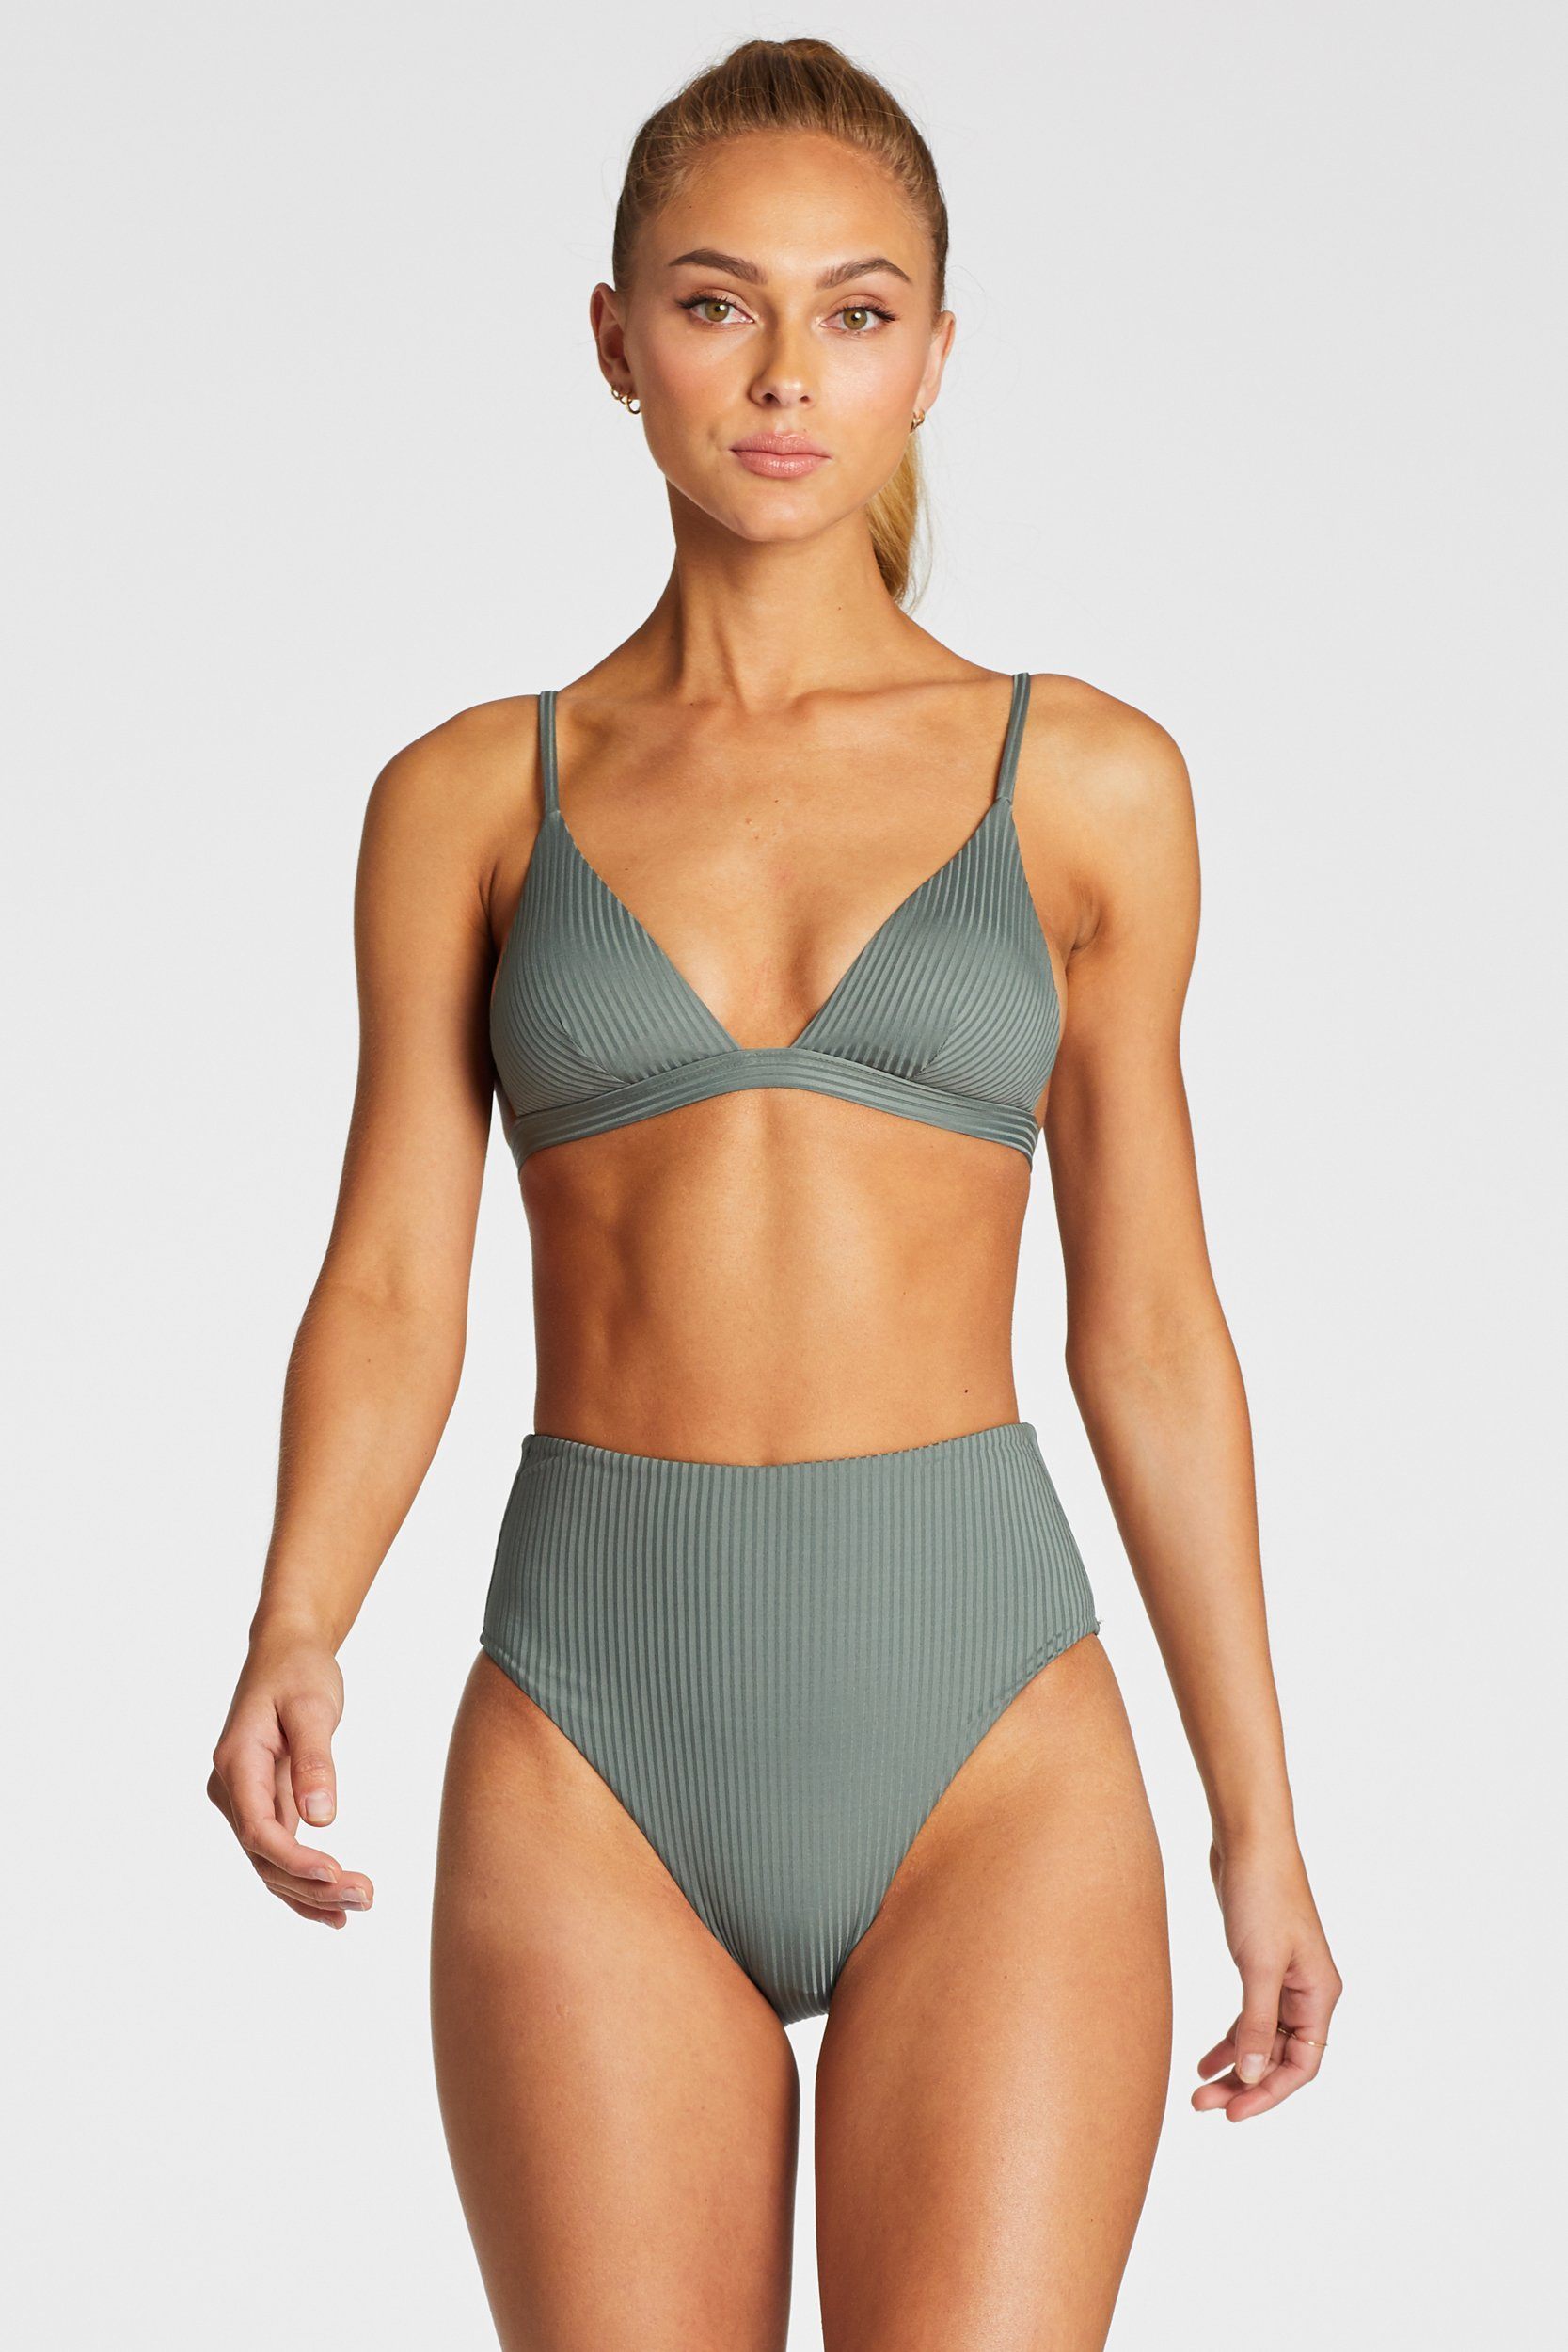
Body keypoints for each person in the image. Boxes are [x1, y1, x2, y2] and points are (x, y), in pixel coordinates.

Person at [208, 35, 1341, 2350]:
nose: (787, 373)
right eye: (719, 304)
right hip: (586, 1733)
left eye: (857, 310)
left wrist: (1261, 1816)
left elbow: (1148, 1326)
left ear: (936, 354)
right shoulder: (471, 798)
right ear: (616, 340)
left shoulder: (1084, 781)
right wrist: (297, 1612)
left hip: (990, 1738)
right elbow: (398, 1274)